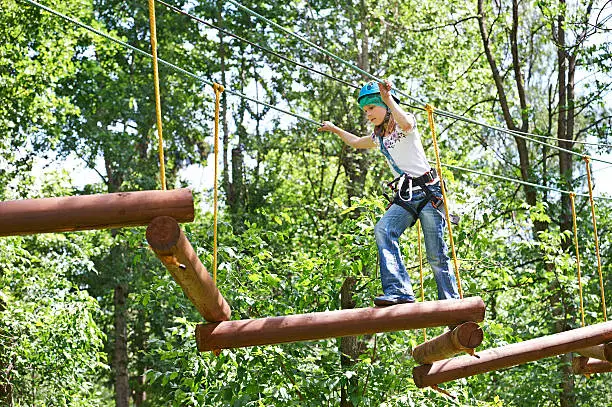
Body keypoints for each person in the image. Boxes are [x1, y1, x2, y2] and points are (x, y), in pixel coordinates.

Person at [318, 80, 460, 306]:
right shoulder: (379, 137)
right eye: (365, 111)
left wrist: (387, 99)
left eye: (371, 108)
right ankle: (400, 291)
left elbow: (403, 122)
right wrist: (335, 129)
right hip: (407, 196)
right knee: (383, 229)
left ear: (384, 106)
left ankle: (452, 304)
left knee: (436, 254)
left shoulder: (406, 124)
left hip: (428, 192)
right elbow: (355, 142)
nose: (368, 114)